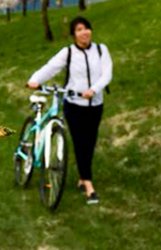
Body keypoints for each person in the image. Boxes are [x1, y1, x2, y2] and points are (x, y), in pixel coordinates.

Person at [27, 16, 112, 205]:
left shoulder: (101, 50)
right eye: (79, 29)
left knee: (90, 143)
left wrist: (93, 90)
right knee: (81, 142)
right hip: (74, 105)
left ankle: (82, 177)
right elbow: (51, 68)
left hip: (95, 104)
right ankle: (88, 185)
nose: (84, 32)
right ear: (74, 34)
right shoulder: (69, 53)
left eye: (86, 28)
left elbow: (107, 74)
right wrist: (35, 80)